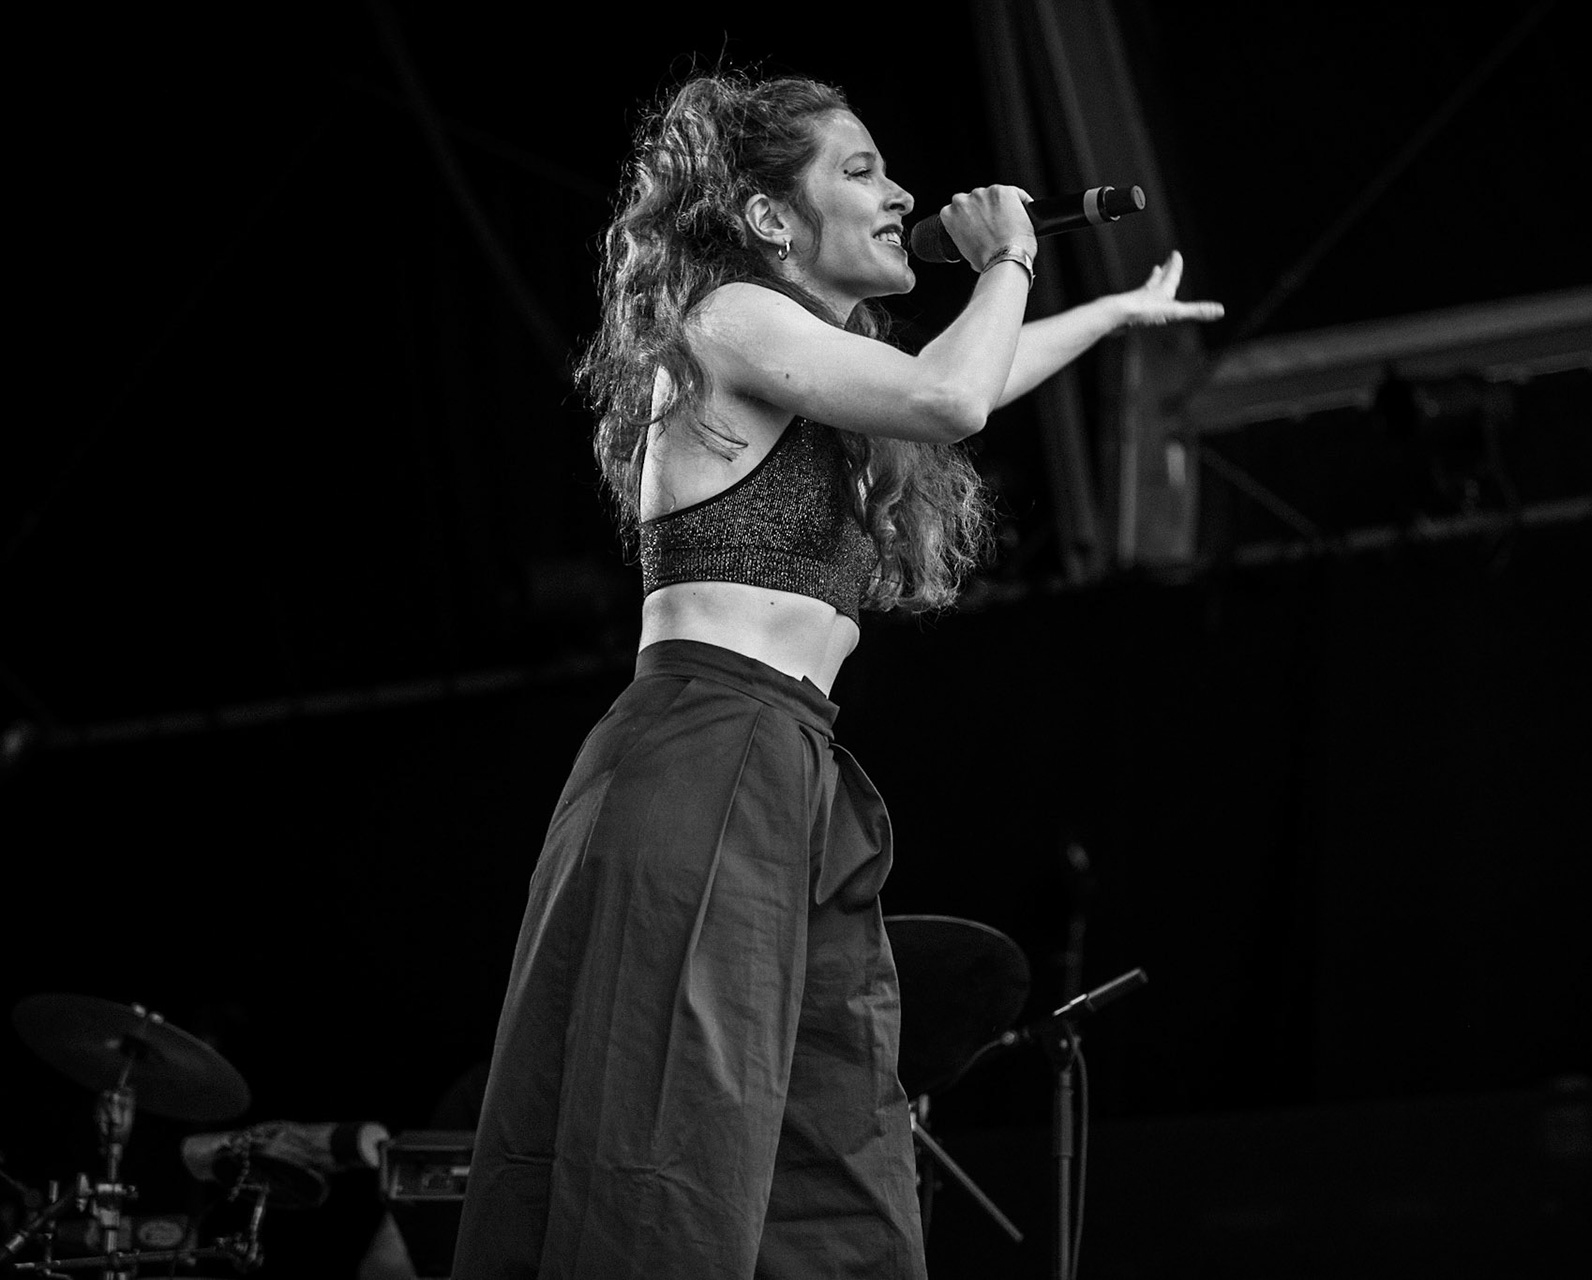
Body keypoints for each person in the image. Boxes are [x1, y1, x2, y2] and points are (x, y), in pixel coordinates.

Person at [450, 69, 1222, 1279]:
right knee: (672, 1141)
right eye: (860, 170)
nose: (903, 191)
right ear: (767, 218)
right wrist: (1011, 256)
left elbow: (978, 379)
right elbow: (954, 393)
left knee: (837, 1149)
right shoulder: (726, 319)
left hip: (788, 771)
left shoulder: (814, 365)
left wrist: (1109, 314)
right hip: (700, 754)